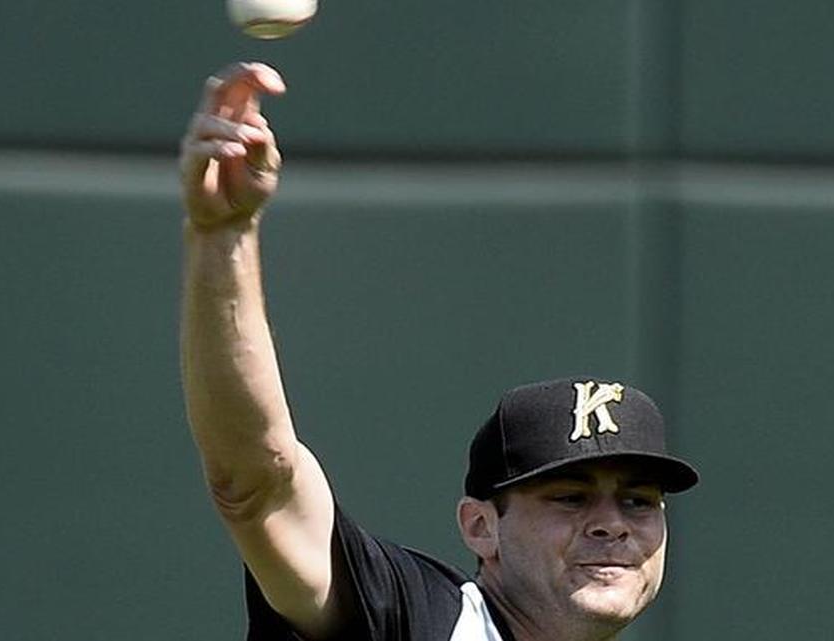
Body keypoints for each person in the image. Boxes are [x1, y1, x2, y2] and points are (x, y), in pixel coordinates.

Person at [178, 62, 700, 641]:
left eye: (637, 501)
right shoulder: (419, 619)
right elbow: (256, 484)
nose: (612, 526)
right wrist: (223, 234)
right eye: (570, 498)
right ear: (481, 528)